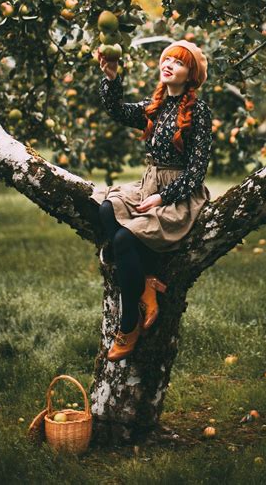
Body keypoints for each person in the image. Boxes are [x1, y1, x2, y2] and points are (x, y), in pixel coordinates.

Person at [91, 39, 212, 362]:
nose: (169, 64)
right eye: (166, 59)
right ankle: (146, 283)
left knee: (124, 238)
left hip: (180, 194)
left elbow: (197, 172)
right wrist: (112, 76)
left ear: (191, 74)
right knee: (107, 209)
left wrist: (163, 197)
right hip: (150, 184)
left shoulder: (198, 112)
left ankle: (128, 326)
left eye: (179, 62)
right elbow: (116, 110)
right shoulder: (156, 106)